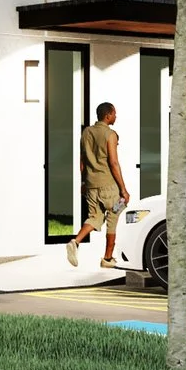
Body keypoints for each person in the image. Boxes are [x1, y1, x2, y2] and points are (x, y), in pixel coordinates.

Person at [68, 102, 129, 269]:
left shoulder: (86, 132)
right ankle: (108, 258)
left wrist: (83, 182)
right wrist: (123, 190)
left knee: (94, 218)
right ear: (108, 115)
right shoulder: (110, 134)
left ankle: (76, 241)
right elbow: (114, 162)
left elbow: (82, 161)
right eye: (114, 114)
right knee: (114, 215)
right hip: (109, 186)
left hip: (91, 185)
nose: (116, 116)